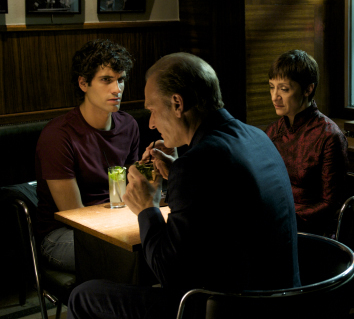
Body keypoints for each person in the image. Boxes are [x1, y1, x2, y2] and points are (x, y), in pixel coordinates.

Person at [67, 53, 300, 319]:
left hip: (227, 308)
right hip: (286, 302)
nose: (152, 123)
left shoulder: (198, 164)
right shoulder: (257, 136)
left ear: (177, 103)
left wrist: (147, 207)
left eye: (153, 111)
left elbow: (170, 276)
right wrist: (176, 170)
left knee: (84, 296)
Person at [35, 40, 139, 273]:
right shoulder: (58, 135)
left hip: (116, 220)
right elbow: (75, 215)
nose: (117, 89)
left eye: (120, 79)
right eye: (106, 80)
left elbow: (132, 190)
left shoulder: (128, 125)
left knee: (166, 242)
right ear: (83, 83)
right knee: (127, 256)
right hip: (63, 233)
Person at [266, 49, 349, 236]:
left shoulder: (329, 136)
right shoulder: (272, 132)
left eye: (284, 89)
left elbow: (331, 204)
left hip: (312, 230)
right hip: (278, 222)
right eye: (272, 87)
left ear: (308, 89)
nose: (274, 97)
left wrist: (284, 217)